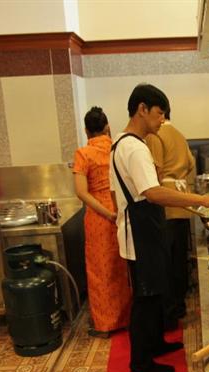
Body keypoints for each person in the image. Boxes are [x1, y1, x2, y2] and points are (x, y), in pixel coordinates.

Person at [110, 84, 209, 372]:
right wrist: (204, 200)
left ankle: (155, 344)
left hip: (141, 229)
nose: (162, 119)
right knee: (145, 298)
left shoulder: (121, 143)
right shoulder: (135, 147)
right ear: (142, 109)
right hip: (140, 234)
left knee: (154, 294)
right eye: (159, 113)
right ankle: (141, 362)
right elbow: (153, 193)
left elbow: (129, 191)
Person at [73, 107, 132, 338]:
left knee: (100, 271)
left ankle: (106, 324)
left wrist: (106, 213)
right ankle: (126, 317)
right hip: (120, 208)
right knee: (121, 266)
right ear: (107, 127)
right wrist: (115, 211)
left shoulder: (83, 154)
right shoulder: (116, 148)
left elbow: (81, 192)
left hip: (99, 217)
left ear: (86, 130)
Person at [145, 108, 195, 330]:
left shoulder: (155, 136)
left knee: (165, 264)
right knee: (179, 261)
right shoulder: (180, 135)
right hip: (182, 204)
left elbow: (154, 173)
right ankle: (179, 306)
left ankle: (169, 314)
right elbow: (191, 165)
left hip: (166, 205)